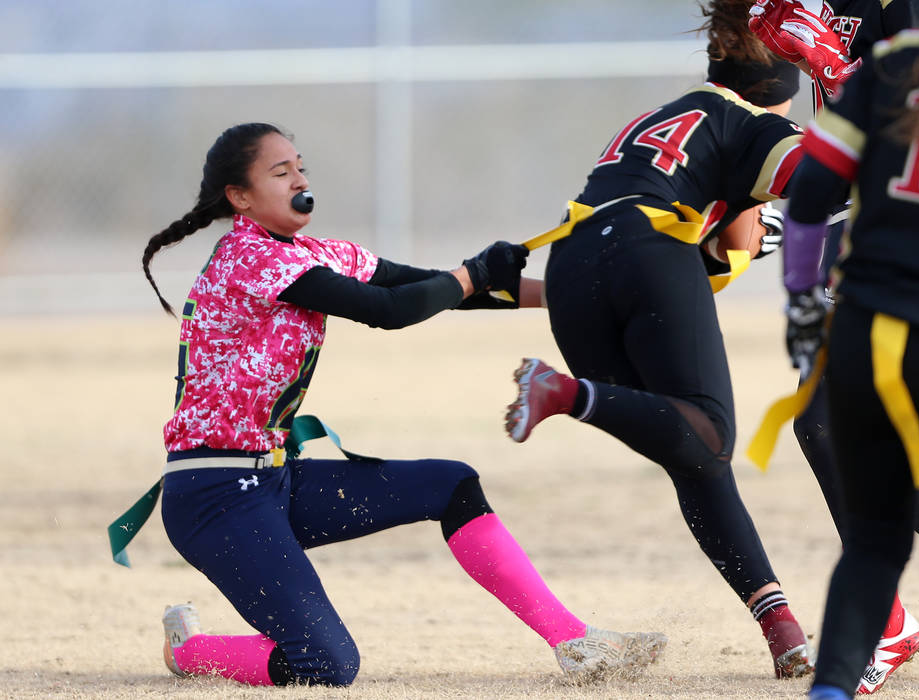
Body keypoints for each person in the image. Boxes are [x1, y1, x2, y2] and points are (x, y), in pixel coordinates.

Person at [138, 122, 667, 687]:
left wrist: (579, 295)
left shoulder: (313, 253)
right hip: (215, 499)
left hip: (274, 484)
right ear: (240, 199)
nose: (299, 178)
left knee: (452, 485)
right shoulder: (249, 257)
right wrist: (473, 273)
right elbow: (388, 311)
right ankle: (189, 651)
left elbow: (426, 289)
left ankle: (574, 642)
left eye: (300, 166)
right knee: (325, 664)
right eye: (280, 171)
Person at [502, 0, 816, 680]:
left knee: (691, 452)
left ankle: (781, 628)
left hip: (574, 261)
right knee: (711, 436)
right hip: (650, 247)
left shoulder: (663, 116)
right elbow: (785, 209)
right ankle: (566, 393)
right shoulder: (758, 124)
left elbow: (703, 235)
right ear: (784, 80)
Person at [748, 0, 919, 692]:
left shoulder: (912, 3)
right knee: (828, 427)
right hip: (869, 229)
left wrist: (830, 62)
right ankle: (889, 623)